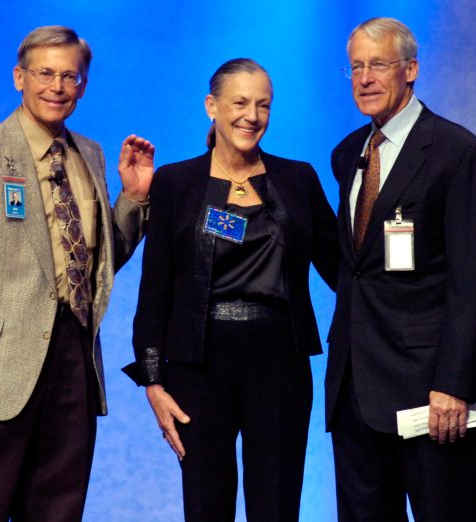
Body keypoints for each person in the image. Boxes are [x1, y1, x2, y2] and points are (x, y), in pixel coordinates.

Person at [0, 25, 155, 521]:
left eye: (71, 76)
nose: (58, 86)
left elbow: (99, 263)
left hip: (73, 364)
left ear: (83, 85)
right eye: (45, 73)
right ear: (19, 78)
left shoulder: (89, 155)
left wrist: (132, 199)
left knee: (56, 512)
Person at [123, 58, 339, 521]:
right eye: (240, 102)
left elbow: (346, 271)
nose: (252, 115)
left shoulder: (298, 179)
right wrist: (153, 380)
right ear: (211, 107)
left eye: (263, 105)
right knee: (205, 507)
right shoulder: (176, 183)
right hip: (197, 369)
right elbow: (154, 291)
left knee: (277, 507)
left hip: (280, 364)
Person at [325, 17, 476, 521]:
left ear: (410, 70)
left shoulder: (458, 153)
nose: (365, 78)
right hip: (357, 393)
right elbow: (358, 269)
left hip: (432, 398)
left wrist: (454, 382)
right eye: (356, 67)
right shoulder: (348, 154)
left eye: (378, 65)